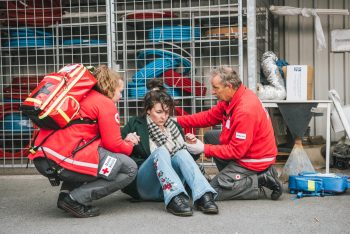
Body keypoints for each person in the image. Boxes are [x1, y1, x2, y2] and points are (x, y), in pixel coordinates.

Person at [28, 64, 139, 218]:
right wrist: (130, 145)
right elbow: (113, 145)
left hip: (43, 157)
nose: (120, 96)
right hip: (61, 160)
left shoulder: (81, 97)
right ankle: (74, 200)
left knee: (93, 155)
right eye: (120, 91)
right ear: (110, 86)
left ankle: (66, 195)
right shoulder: (105, 103)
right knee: (129, 168)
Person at [177, 66, 282, 201]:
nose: (213, 92)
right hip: (248, 149)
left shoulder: (245, 110)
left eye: (216, 88)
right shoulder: (233, 98)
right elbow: (208, 117)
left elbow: (237, 151)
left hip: (253, 159)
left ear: (229, 86)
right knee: (210, 136)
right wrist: (177, 121)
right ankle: (232, 178)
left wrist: (203, 148)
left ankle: (260, 180)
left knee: (210, 191)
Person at [121, 79, 218, 217]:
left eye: (166, 112)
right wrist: (127, 142)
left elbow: (186, 161)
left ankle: (203, 196)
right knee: (160, 152)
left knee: (182, 153)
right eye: (159, 112)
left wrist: (191, 146)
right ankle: (174, 198)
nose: (164, 117)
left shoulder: (174, 126)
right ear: (148, 110)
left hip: (174, 181)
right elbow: (119, 152)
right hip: (146, 184)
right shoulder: (134, 124)